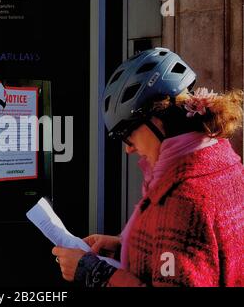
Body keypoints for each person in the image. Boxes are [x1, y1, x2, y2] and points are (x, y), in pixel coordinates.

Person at [52, 48, 244, 287]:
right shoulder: (221, 165)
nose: (128, 148)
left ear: (155, 121)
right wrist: (125, 246)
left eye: (126, 133)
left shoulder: (184, 199)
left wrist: (93, 272)